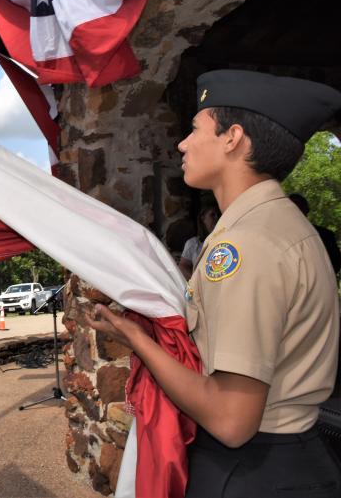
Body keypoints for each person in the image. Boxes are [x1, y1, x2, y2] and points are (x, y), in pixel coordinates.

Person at [86, 70, 341, 497]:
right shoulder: (271, 225)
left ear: (232, 138)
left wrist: (136, 338)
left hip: (252, 470)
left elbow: (230, 419)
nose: (183, 144)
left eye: (194, 128)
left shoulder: (249, 243)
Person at [288, 193, 341, 276]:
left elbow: (335, 263)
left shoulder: (325, 235)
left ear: (306, 211)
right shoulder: (278, 236)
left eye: (298, 208)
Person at [178, 204, 220, 280]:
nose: (217, 218)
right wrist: (196, 282)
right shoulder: (193, 243)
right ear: (203, 219)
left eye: (218, 215)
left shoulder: (225, 239)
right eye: (212, 215)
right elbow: (183, 266)